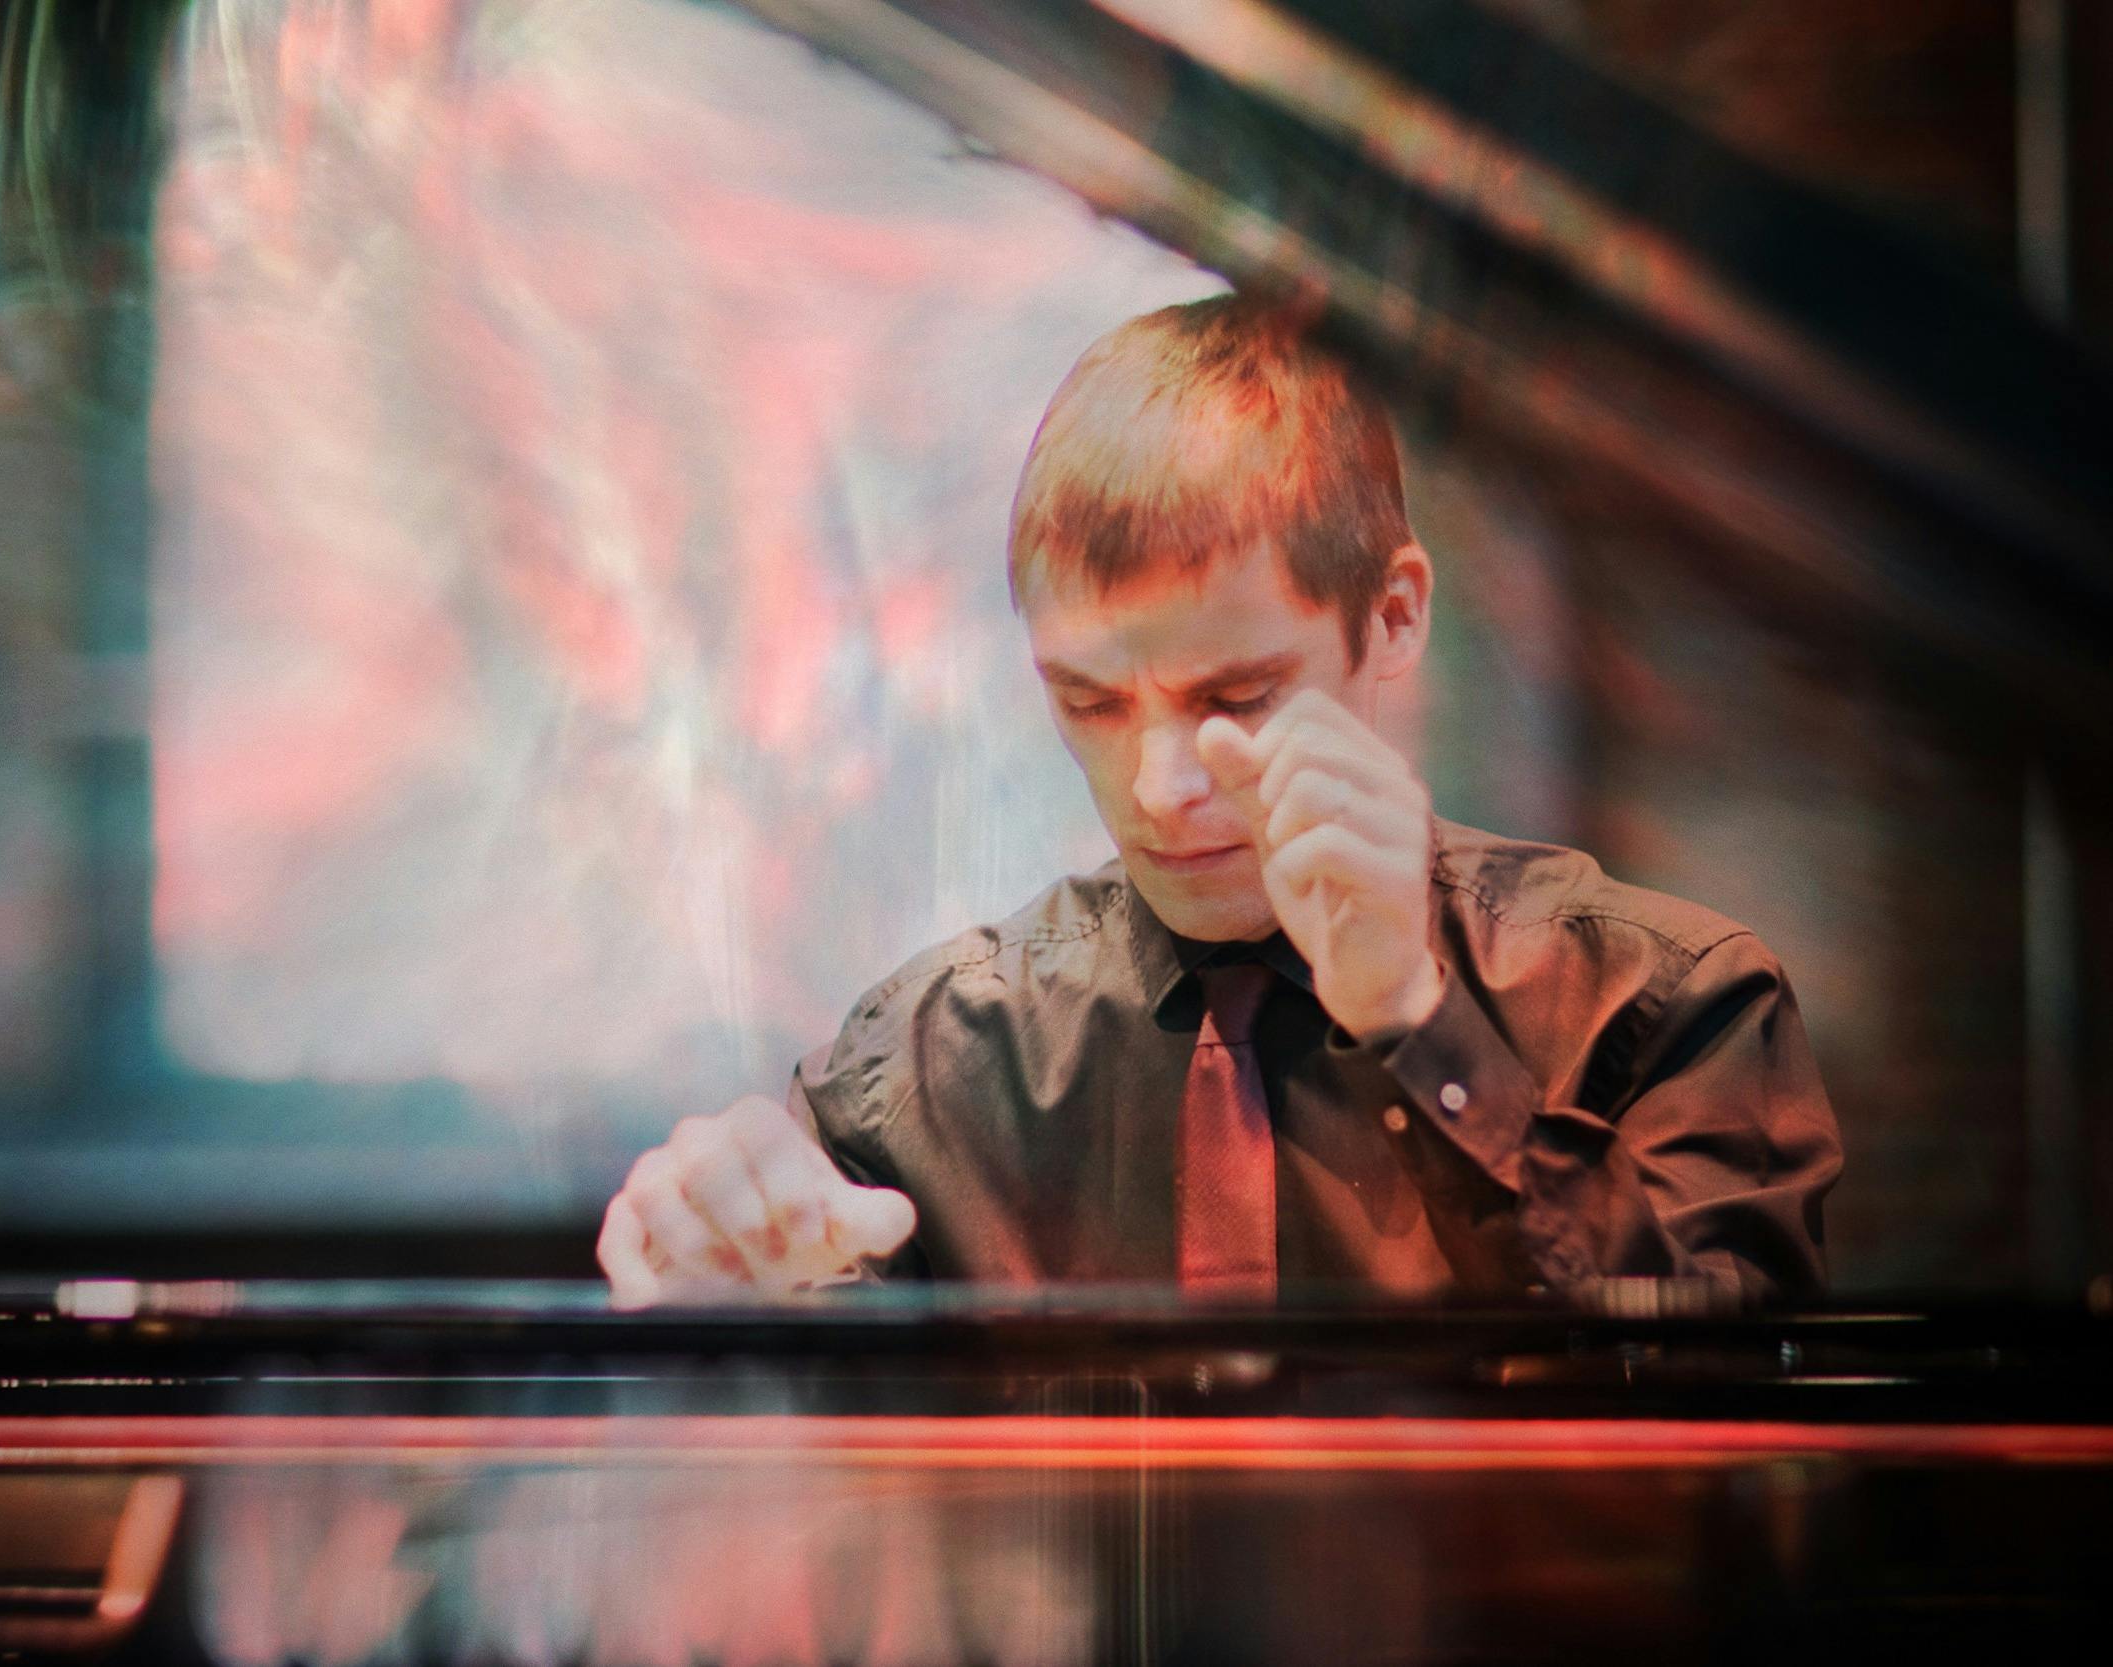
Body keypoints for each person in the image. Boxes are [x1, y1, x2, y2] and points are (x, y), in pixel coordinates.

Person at [597, 292, 1843, 1308]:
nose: (1158, 789)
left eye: (1235, 696)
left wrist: (1421, 1022)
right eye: (1090, 700)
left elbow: (1727, 1435)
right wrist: (721, 1285)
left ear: (1393, 616)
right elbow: (804, 1453)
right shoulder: (926, 1067)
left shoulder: (1664, 1007)